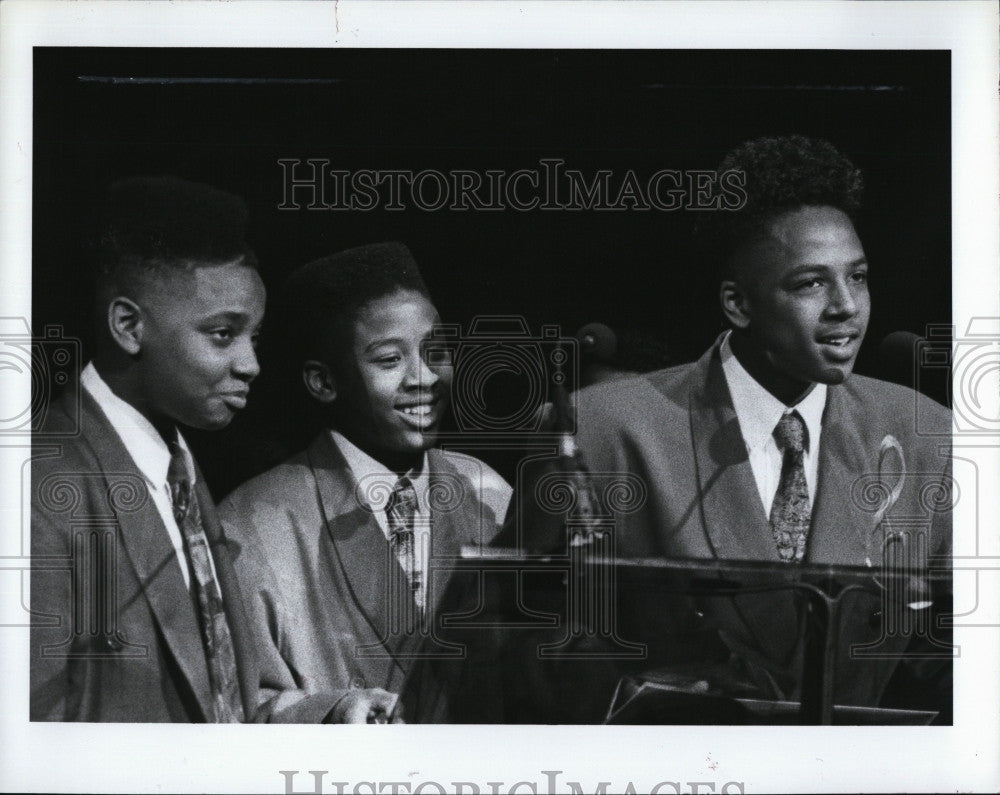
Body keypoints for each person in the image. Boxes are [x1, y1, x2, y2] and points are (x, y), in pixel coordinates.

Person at [500, 135, 953, 722]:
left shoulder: (924, 437)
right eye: (810, 283)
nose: (847, 306)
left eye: (859, 277)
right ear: (738, 304)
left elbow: (945, 662)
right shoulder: (607, 432)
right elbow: (515, 646)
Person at [217, 242, 512, 723]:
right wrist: (330, 712)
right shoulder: (250, 526)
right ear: (323, 382)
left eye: (435, 351)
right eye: (390, 360)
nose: (425, 378)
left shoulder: (489, 492)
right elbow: (231, 710)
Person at [29, 176, 268, 722]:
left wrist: (327, 711)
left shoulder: (178, 466)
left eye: (256, 338)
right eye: (223, 334)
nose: (251, 364)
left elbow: (215, 699)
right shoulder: (38, 485)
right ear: (129, 326)